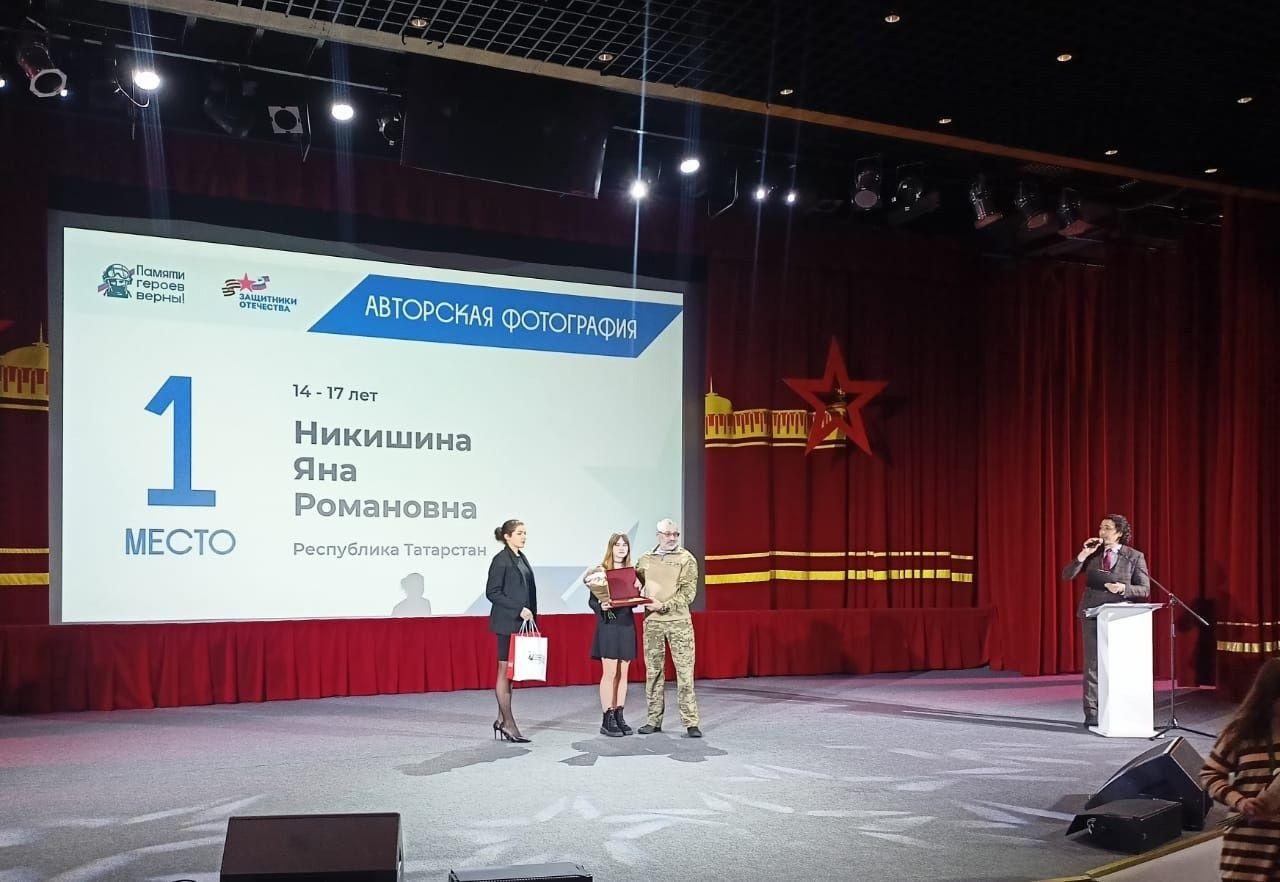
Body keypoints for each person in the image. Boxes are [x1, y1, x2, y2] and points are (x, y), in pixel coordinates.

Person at [1060, 514, 1150, 727]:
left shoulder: (1134, 556)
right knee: (1092, 663)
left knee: (1119, 663)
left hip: (1120, 616)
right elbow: (1067, 575)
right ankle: (1091, 711)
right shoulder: (1094, 552)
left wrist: (1123, 588)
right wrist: (1083, 553)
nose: (1102, 532)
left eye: (1108, 528)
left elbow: (1145, 589)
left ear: (1119, 533)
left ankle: (1120, 707)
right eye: (1101, 527)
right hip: (1092, 613)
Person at [1199, 658, 1280, 881]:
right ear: (1269, 696)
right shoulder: (1240, 733)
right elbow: (1210, 775)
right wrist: (1240, 801)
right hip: (1250, 844)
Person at [635, 518, 702, 738]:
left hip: (679, 623)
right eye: (668, 534)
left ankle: (691, 722)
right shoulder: (645, 559)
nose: (672, 538)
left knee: (685, 674)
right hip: (653, 623)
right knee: (653, 673)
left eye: (675, 534)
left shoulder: (686, 559)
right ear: (658, 536)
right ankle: (653, 720)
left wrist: (663, 606)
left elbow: (688, 593)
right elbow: (635, 583)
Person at [583, 533, 641, 737]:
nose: (621, 548)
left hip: (626, 624)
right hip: (608, 625)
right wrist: (601, 605)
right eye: (617, 545)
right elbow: (592, 601)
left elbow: (636, 599)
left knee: (623, 674)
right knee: (610, 673)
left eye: (625, 545)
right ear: (611, 548)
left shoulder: (633, 573)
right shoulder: (600, 572)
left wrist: (640, 589)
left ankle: (619, 715)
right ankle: (607, 718)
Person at [486, 519, 537, 743]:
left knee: (511, 674)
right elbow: (492, 592)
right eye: (519, 533)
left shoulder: (520, 557)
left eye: (525, 533)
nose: (524, 537)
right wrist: (518, 609)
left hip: (520, 623)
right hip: (506, 623)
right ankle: (508, 723)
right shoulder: (501, 560)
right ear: (507, 536)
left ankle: (501, 720)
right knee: (504, 671)